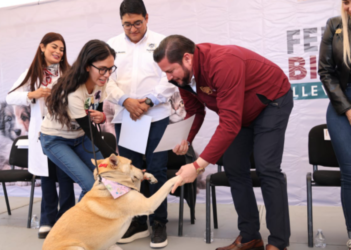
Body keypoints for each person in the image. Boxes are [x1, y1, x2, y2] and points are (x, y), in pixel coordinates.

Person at [153, 35, 293, 250]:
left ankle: (278, 242)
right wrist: (186, 139)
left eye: (170, 71)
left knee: (267, 168)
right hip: (241, 112)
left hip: (271, 101)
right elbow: (194, 111)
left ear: (188, 58)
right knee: (235, 168)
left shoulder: (223, 62)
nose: (169, 77)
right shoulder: (182, 78)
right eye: (165, 73)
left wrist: (197, 166)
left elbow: (230, 123)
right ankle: (250, 238)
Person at [106, 0, 176, 248]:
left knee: (156, 171)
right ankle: (135, 221)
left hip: (156, 116)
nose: (133, 29)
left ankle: (158, 222)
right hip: (126, 117)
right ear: (121, 22)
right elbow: (106, 80)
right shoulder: (112, 45)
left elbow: (170, 78)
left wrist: (146, 101)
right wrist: (126, 101)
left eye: (137, 23)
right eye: (127, 24)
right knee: (128, 172)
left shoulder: (164, 42)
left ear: (147, 17)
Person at [6, 32, 75, 239]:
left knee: (65, 178)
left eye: (62, 49)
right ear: (42, 47)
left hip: (64, 133)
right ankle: (47, 220)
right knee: (46, 177)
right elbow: (10, 96)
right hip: (42, 134)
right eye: (54, 47)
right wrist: (32, 94)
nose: (58, 52)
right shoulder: (33, 73)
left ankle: (68, 221)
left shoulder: (69, 73)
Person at [40, 39, 117, 202]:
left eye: (111, 69)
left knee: (110, 179)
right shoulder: (74, 92)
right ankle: (77, 226)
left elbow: (97, 109)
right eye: (103, 69)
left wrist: (101, 116)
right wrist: (119, 159)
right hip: (56, 140)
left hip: (80, 136)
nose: (107, 74)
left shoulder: (100, 82)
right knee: (91, 185)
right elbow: (93, 134)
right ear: (87, 66)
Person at [319, 1, 351, 247]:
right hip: (342, 105)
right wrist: (347, 109)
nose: (348, 8)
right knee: (350, 174)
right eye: (345, 2)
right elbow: (326, 71)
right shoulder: (335, 25)